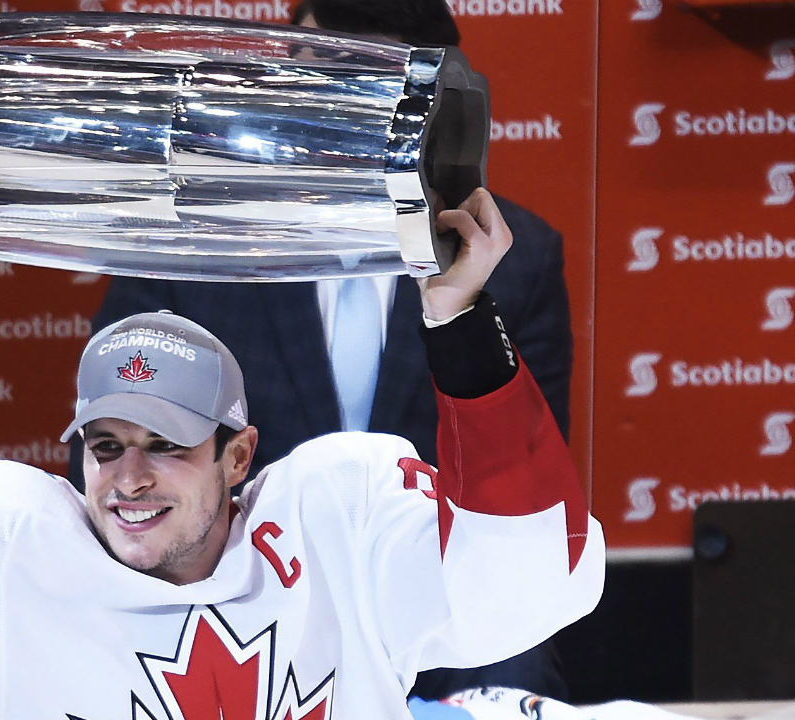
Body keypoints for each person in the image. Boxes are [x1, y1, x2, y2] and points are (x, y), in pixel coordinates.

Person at [0, 169, 604, 720]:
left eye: (167, 445)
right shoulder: (6, 551)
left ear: (239, 456)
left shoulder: (335, 529)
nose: (128, 478)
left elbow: (527, 574)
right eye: (104, 446)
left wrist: (458, 320)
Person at [76, 0, 575, 701]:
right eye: (310, 71)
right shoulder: (192, 241)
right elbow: (116, 446)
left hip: (438, 606)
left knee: (514, 654)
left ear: (427, 96)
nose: (325, 105)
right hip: (229, 598)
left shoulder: (511, 257)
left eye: (358, 80)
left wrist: (459, 314)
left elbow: (523, 492)